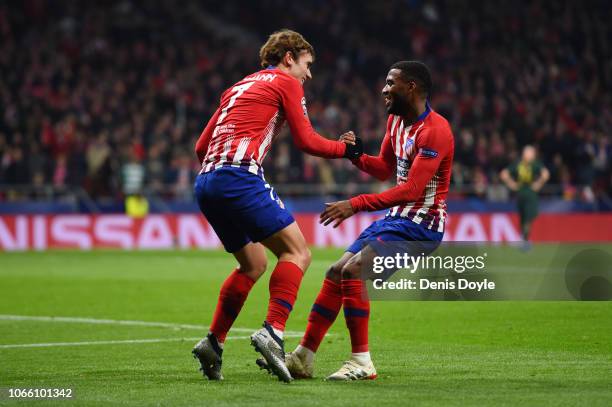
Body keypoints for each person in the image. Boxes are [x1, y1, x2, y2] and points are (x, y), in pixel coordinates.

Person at [262, 61, 454, 381]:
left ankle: (361, 362)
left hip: (422, 226)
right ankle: (303, 357)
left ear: (411, 87)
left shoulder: (436, 130)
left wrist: (356, 204)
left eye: (391, 83)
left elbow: (412, 190)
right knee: (336, 272)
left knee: (354, 271)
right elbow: (382, 169)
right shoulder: (395, 122)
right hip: (396, 220)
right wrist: (355, 156)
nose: (384, 89)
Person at [191, 29, 362, 383]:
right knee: (298, 253)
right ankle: (273, 331)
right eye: (307, 64)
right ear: (289, 58)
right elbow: (307, 140)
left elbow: (200, 147)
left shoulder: (236, 88)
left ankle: (213, 342)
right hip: (239, 177)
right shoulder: (286, 83)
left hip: (206, 182)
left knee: (252, 264)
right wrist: (346, 150)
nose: (308, 74)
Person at [500, 145, 549, 245]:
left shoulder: (518, 164)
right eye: (531, 153)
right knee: (527, 218)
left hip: (520, 193)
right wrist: (538, 184)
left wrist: (511, 184)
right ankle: (525, 239)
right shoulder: (534, 164)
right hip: (530, 193)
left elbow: (504, 174)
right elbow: (546, 174)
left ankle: (524, 238)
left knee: (524, 217)